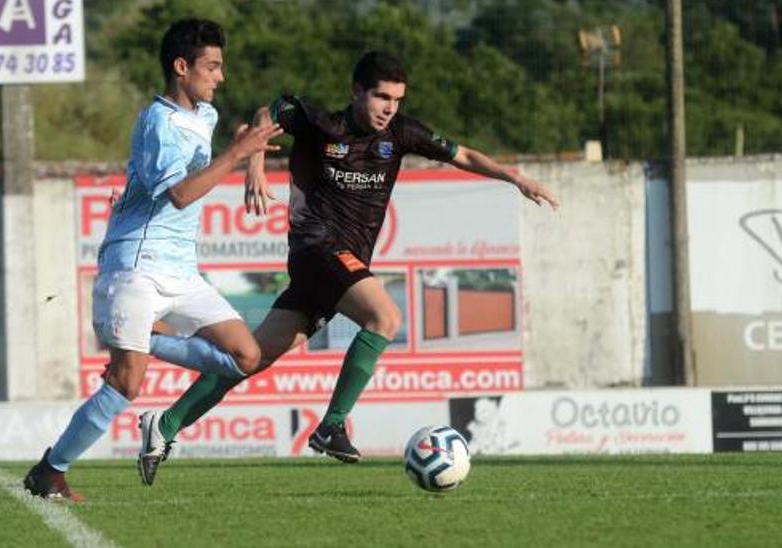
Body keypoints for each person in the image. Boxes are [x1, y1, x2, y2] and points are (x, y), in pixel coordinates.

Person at [138, 51, 559, 484]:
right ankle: (331, 425)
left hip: (337, 264)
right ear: (357, 91)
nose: (389, 108)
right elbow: (266, 113)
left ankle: (164, 426)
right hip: (316, 247)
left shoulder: (402, 133)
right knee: (385, 316)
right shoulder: (321, 124)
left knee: (250, 359)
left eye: (396, 99)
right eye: (381, 97)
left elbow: (463, 154)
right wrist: (255, 167)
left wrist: (516, 179)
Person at [21, 18, 282, 501]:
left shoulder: (203, 114)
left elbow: (263, 116)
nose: (220, 77)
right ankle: (50, 471)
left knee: (246, 355)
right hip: (136, 263)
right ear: (181, 68)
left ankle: (149, 341)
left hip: (181, 271)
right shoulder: (159, 123)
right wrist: (237, 154)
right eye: (212, 67)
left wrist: (255, 162)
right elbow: (181, 194)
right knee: (126, 383)